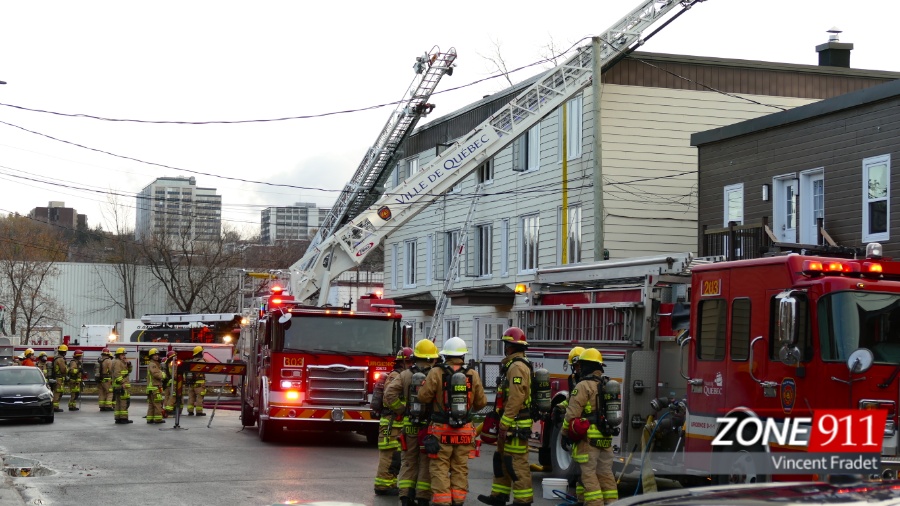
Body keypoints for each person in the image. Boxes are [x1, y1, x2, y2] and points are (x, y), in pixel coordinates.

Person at [417, 336, 487, 506]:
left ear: (445, 355)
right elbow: (481, 403)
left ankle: (442, 502)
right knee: (460, 468)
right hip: (465, 432)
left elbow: (423, 397)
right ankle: (458, 500)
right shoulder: (472, 374)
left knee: (439, 468)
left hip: (441, 431)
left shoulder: (436, 372)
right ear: (463, 355)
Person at [478, 327, 534, 506]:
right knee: (501, 459)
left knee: (516, 462)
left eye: (506, 344)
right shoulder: (512, 365)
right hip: (509, 421)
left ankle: (523, 500)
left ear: (510, 346)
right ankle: (499, 496)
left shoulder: (517, 367)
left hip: (515, 423)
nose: (504, 348)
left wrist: (505, 423)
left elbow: (517, 397)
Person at [385, 339, 439, 506]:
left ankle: (405, 497)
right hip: (428, 427)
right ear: (432, 358)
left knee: (408, 462)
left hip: (409, 425)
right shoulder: (435, 374)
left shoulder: (406, 374)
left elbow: (389, 394)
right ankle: (422, 498)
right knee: (425, 462)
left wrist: (401, 409)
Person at [562, 348, 618, 506]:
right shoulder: (607, 384)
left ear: (585, 365)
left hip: (588, 440)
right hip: (606, 438)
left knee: (589, 476)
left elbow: (571, 414)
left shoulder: (583, 386)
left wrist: (565, 434)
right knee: (606, 476)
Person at [374, 347, 413, 496]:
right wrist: (402, 410)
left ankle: (388, 483)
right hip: (391, 423)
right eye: (409, 362)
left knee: (395, 455)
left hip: (396, 423)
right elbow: (388, 398)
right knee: (389, 455)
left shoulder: (401, 375)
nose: (411, 365)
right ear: (403, 362)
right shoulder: (395, 376)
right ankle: (383, 485)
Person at [111, 347, 133, 424]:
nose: (124, 356)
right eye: (122, 355)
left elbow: (129, 371)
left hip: (119, 386)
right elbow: (117, 374)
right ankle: (123, 419)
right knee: (124, 403)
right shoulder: (117, 362)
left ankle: (118, 418)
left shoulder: (122, 362)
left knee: (118, 403)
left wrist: (129, 364)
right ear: (118, 355)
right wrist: (123, 383)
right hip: (121, 386)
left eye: (124, 354)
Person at [145, 348, 166, 424]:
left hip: (151, 388)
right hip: (155, 387)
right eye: (155, 355)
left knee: (151, 404)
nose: (157, 356)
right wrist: (163, 375)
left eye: (157, 355)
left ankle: (150, 419)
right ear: (151, 356)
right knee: (157, 404)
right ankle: (158, 419)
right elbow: (156, 374)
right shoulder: (153, 365)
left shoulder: (153, 364)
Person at [186, 346, 207, 416]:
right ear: (200, 353)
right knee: (199, 398)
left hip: (191, 383)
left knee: (191, 397)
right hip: (199, 383)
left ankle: (190, 411)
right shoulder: (202, 361)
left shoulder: (191, 361)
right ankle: (199, 411)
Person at [49, 345, 69, 413]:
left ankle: (55, 406)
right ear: (64, 352)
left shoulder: (56, 358)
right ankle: (55, 407)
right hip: (59, 378)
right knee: (57, 393)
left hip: (57, 377)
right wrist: (67, 370)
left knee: (57, 392)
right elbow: (63, 369)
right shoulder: (60, 359)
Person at [163, 351, 180, 418]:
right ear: (172, 357)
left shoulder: (167, 363)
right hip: (173, 383)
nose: (176, 357)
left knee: (167, 397)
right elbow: (175, 375)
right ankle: (168, 410)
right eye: (175, 356)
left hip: (168, 383)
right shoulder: (173, 364)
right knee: (173, 397)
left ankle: (166, 409)